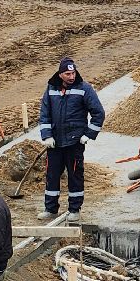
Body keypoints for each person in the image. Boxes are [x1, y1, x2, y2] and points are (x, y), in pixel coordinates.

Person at [36, 56, 105, 225]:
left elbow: (98, 113)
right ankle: (50, 208)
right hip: (55, 143)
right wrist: (47, 135)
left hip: (75, 142)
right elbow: (44, 114)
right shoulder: (51, 89)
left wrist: (88, 134)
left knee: (75, 176)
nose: (71, 76)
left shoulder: (84, 88)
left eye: (73, 73)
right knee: (52, 175)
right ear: (60, 74)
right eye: (67, 74)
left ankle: (74, 209)